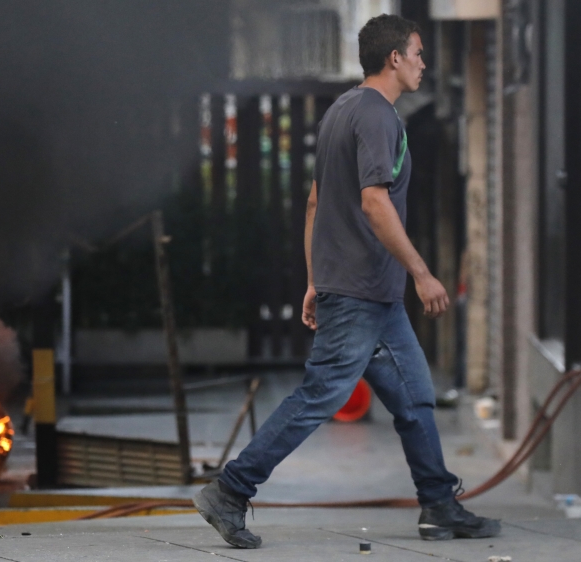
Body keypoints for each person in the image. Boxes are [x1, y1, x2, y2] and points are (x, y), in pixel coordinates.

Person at [193, 14, 500, 549]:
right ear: (394, 58)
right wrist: (422, 274)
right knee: (320, 395)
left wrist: (315, 280)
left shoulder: (341, 111)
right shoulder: (379, 118)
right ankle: (231, 489)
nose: (425, 63)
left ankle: (439, 506)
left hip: (369, 296)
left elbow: (316, 202)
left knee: (415, 399)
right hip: (362, 294)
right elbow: (373, 201)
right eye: (419, 53)